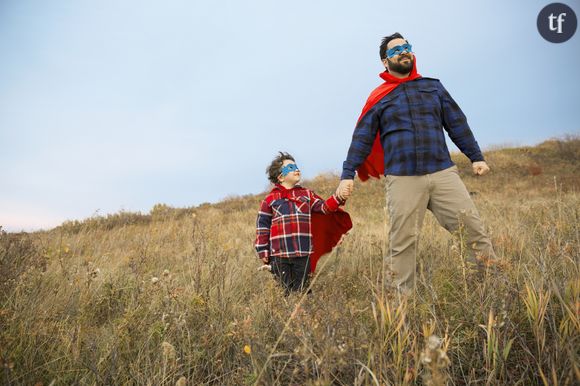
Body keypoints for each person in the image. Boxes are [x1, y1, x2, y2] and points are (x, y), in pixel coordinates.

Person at [336, 32, 498, 294]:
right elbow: (362, 139)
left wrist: (476, 156)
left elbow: (457, 123)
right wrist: (347, 174)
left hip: (443, 173)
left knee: (473, 231)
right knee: (402, 243)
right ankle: (401, 306)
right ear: (384, 62)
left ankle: (493, 289)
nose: (403, 51)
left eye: (406, 47)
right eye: (395, 49)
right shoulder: (379, 97)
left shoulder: (433, 87)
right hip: (403, 179)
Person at [255, 152, 351, 295]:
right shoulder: (269, 200)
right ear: (280, 177)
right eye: (290, 167)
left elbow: (324, 208)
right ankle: (287, 313)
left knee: (303, 289)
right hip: (280, 254)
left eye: (296, 166)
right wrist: (263, 251)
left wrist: (338, 197)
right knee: (284, 290)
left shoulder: (307, 194)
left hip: (303, 252)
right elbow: (262, 227)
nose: (296, 169)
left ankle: (305, 313)